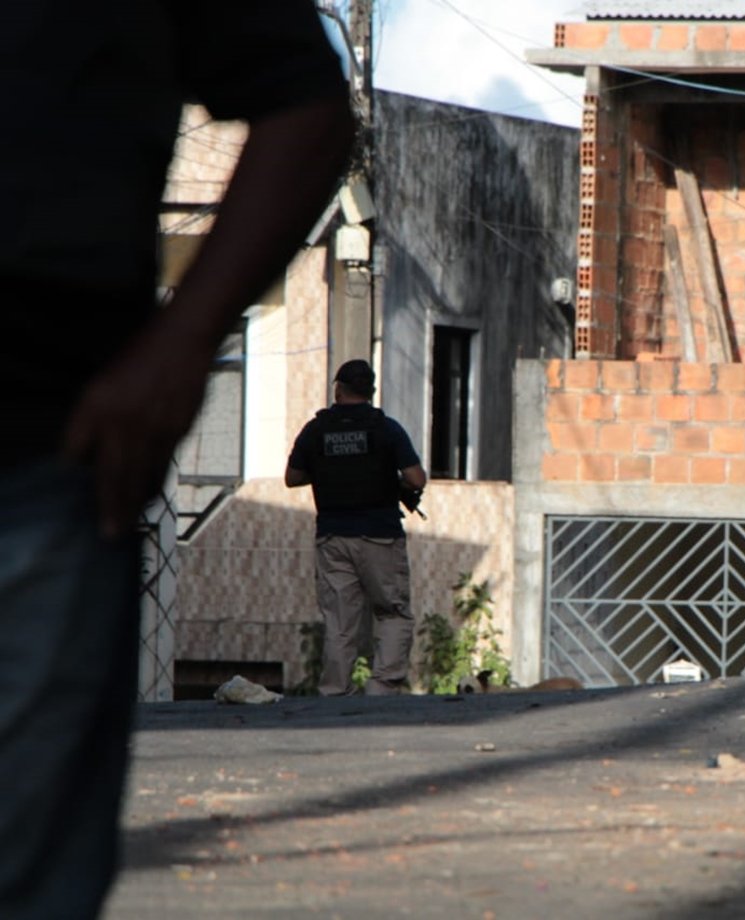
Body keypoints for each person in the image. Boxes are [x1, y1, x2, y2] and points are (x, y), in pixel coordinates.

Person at [0, 3, 353, 916]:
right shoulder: (379, 431)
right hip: (362, 534)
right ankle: (363, 686)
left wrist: (183, 341)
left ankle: (353, 681)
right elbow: (398, 479)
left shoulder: (324, 428)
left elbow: (294, 477)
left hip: (48, 437)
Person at [285, 360, 427, 696]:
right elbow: (416, 478)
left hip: (333, 536)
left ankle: (334, 691)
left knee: (340, 621)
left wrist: (326, 470)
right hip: (380, 535)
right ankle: (381, 688)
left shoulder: (315, 430)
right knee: (392, 612)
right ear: (371, 392)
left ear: (338, 389)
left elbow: (292, 478)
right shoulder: (387, 429)